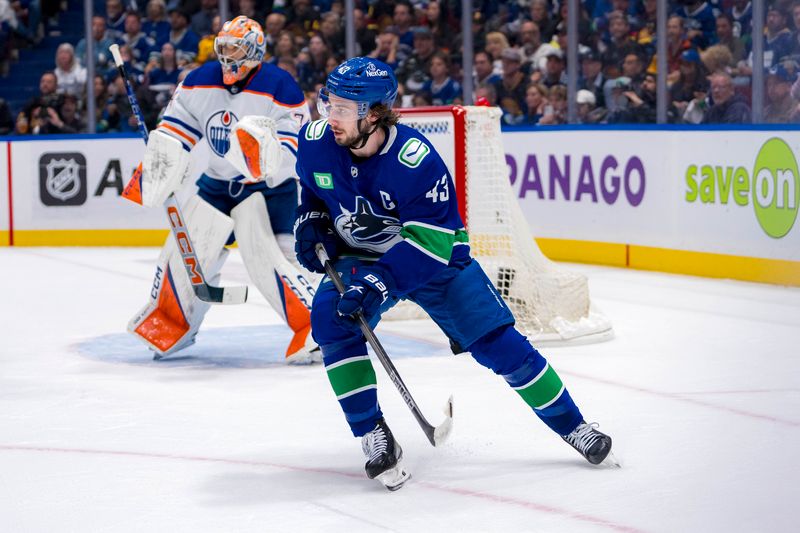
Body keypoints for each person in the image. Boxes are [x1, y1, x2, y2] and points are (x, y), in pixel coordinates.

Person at [293, 57, 614, 491]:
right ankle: (373, 433)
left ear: (373, 114)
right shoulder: (315, 141)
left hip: (435, 261)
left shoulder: (414, 161)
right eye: (328, 104)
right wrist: (311, 220)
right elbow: (313, 187)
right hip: (361, 256)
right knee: (331, 320)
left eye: (342, 109)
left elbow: (432, 245)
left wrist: (379, 282)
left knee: (500, 346)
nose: (330, 117)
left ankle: (573, 425)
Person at [128, 16, 318, 364]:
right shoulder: (198, 81)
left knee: (277, 260)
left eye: (236, 47)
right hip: (216, 185)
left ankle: (315, 327)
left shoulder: (281, 85)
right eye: (224, 47)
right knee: (186, 255)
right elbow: (176, 129)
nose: (228, 55)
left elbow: (293, 144)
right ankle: (173, 323)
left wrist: (263, 155)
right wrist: (161, 159)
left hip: (270, 190)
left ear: (255, 51)